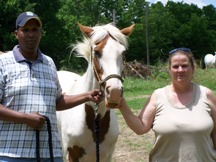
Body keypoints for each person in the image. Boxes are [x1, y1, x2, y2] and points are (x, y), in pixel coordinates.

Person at [0, 11, 104, 162]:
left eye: (35, 30)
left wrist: (87, 96)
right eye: (25, 30)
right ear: (16, 34)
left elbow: (57, 101)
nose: (31, 34)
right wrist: (26, 118)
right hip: (12, 154)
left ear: (40, 33)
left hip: (49, 152)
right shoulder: (3, 63)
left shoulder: (49, 63)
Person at [117, 48, 216, 161]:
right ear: (169, 69)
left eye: (184, 66)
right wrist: (122, 105)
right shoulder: (158, 96)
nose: (180, 70)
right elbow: (141, 127)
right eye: (175, 66)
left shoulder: (206, 95)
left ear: (193, 68)